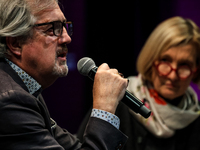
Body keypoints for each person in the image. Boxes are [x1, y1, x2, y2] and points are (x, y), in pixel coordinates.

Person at [0, 0, 129, 149]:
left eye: (64, 26)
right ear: (16, 43)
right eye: (51, 29)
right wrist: (104, 108)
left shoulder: (26, 89)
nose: (67, 38)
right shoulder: (10, 100)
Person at [77, 16, 200, 150]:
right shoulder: (117, 102)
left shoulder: (196, 117)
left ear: (195, 70)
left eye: (184, 65)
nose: (172, 75)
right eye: (165, 60)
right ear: (151, 60)